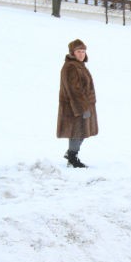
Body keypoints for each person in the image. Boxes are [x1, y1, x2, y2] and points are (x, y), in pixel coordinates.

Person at [57, 39, 98, 168]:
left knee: (81, 132)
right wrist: (83, 108)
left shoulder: (79, 65)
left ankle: (71, 154)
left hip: (83, 104)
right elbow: (74, 90)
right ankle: (72, 158)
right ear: (72, 53)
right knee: (77, 132)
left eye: (83, 51)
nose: (82, 54)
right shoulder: (71, 67)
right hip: (74, 107)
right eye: (79, 51)